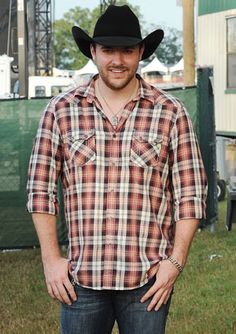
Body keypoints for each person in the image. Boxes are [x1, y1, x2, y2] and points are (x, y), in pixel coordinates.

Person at [27, 5, 207, 334]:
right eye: (108, 50)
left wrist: (175, 262)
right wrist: (51, 260)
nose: (117, 60)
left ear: (141, 52)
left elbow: (191, 194)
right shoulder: (61, 111)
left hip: (148, 281)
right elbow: (40, 190)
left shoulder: (170, 112)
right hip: (80, 281)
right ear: (93, 51)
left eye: (127, 50)